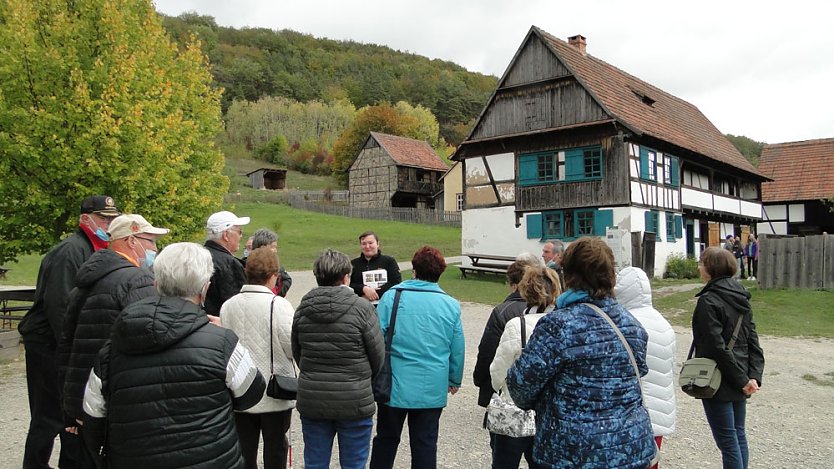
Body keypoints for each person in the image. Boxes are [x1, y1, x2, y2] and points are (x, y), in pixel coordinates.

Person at [81, 242, 266, 469]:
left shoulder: (112, 348)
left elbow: (93, 415)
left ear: (156, 284)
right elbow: (251, 393)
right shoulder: (222, 342)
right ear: (205, 289)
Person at [506, 237, 655, 468]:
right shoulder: (632, 325)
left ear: (568, 276)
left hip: (572, 452)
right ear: (611, 275)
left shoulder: (558, 326)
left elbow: (520, 388)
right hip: (630, 450)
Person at [56, 213, 167, 464]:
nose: (153, 249)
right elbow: (149, 337)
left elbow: (66, 346)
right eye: (150, 241)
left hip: (83, 398)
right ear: (131, 240)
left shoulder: (83, 282)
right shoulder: (137, 280)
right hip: (117, 398)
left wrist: (70, 406)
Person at [18, 195, 119, 469]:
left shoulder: (93, 248)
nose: (108, 224)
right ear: (85, 218)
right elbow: (60, 306)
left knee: (68, 413)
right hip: (47, 342)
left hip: (62, 342)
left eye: (111, 219)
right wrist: (74, 352)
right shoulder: (70, 251)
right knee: (48, 413)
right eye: (103, 218)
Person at [369, 246, 465, 469]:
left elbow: (376, 338)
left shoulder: (392, 297)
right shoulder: (450, 305)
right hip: (431, 384)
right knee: (425, 443)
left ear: (413, 270)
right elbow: (457, 347)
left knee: (385, 439)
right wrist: (454, 378)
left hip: (393, 383)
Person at [292, 249, 385, 469]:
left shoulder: (303, 309)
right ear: (346, 277)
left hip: (314, 397)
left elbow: (298, 352)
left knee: (315, 462)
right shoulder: (363, 309)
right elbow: (377, 356)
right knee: (354, 464)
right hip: (354, 398)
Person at [221, 246, 296, 469]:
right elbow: (291, 347)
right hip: (274, 389)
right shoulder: (279, 305)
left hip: (240, 389)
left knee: (245, 450)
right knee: (276, 448)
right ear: (273, 276)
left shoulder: (228, 306)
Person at [693, 247, 765, 469]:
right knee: (737, 435)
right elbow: (753, 340)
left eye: (701, 263)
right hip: (740, 375)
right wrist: (752, 376)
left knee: (728, 441)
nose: (699, 267)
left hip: (719, 379)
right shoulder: (741, 296)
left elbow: (715, 347)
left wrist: (744, 379)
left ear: (710, 268)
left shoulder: (709, 301)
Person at [489, 265, 561, 469]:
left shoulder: (517, 324)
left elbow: (498, 372)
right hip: (550, 414)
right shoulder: (563, 324)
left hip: (514, 410)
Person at [615, 266, 677, 469]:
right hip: (660, 405)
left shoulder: (627, 324)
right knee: (652, 461)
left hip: (635, 411)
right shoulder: (663, 323)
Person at [472, 262, 530, 459]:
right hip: (539, 398)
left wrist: (480, 381)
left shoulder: (503, 311)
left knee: (504, 456)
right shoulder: (551, 310)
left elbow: (488, 351)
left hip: (507, 394)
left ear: (512, 284)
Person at [204, 210, 251, 315]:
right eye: (239, 232)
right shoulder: (230, 264)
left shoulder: (198, 256)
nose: (241, 236)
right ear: (226, 235)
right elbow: (236, 307)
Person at [349, 231, 401, 303]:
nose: (367, 246)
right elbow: (348, 285)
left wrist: (373, 294)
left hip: (385, 304)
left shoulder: (389, 261)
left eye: (370, 243)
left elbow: (396, 283)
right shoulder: (353, 264)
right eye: (364, 244)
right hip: (360, 306)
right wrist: (363, 289)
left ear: (378, 244)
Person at [249, 228, 293, 297]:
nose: (275, 251)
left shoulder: (277, 267)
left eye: (276, 247)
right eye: (273, 247)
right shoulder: (245, 266)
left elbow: (287, 280)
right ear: (262, 247)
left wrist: (277, 296)